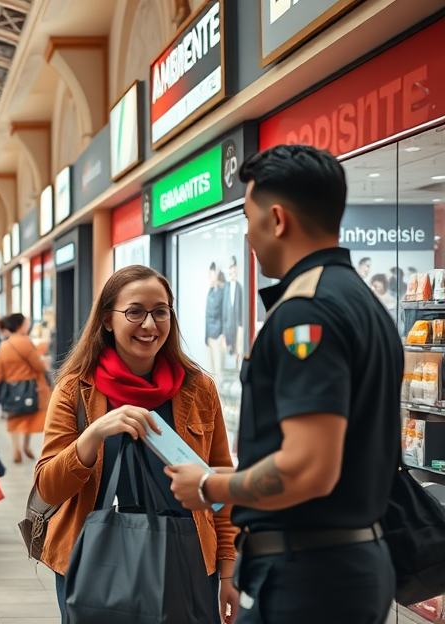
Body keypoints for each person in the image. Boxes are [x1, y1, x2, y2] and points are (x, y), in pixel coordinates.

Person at [167, 145, 399, 624]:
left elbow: (308, 467)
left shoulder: (306, 313)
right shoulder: (361, 303)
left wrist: (211, 485)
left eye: (249, 218)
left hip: (313, 576)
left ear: (276, 218)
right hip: (340, 567)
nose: (248, 235)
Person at [34, 266, 238, 624]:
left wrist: (228, 570)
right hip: (94, 557)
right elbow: (48, 487)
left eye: (160, 312)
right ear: (107, 320)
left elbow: (220, 483)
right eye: (135, 312)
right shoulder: (75, 389)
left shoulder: (198, 388)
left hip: (187, 556)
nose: (149, 324)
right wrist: (93, 435)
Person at [0, 313, 51, 464]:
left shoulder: (3, 345)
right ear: (20, 326)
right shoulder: (25, 342)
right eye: (26, 323)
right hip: (28, 388)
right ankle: (26, 446)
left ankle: (16, 449)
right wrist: (45, 364)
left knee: (13, 420)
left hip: (11, 388)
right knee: (29, 416)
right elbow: (37, 365)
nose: (28, 325)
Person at [205, 263, 225, 385]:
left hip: (218, 334)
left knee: (218, 368)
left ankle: (220, 397)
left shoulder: (222, 292)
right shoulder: (210, 291)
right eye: (210, 274)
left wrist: (223, 334)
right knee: (211, 368)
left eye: (212, 274)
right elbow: (207, 315)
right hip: (210, 335)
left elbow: (224, 314)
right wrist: (206, 337)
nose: (211, 277)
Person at [223, 257, 244, 367]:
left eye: (235, 271)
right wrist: (224, 332)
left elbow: (241, 307)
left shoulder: (239, 288)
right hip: (228, 324)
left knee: (238, 349)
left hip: (238, 324)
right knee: (229, 348)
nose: (233, 273)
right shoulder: (226, 287)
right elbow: (224, 310)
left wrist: (241, 325)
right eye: (232, 271)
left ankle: (238, 369)